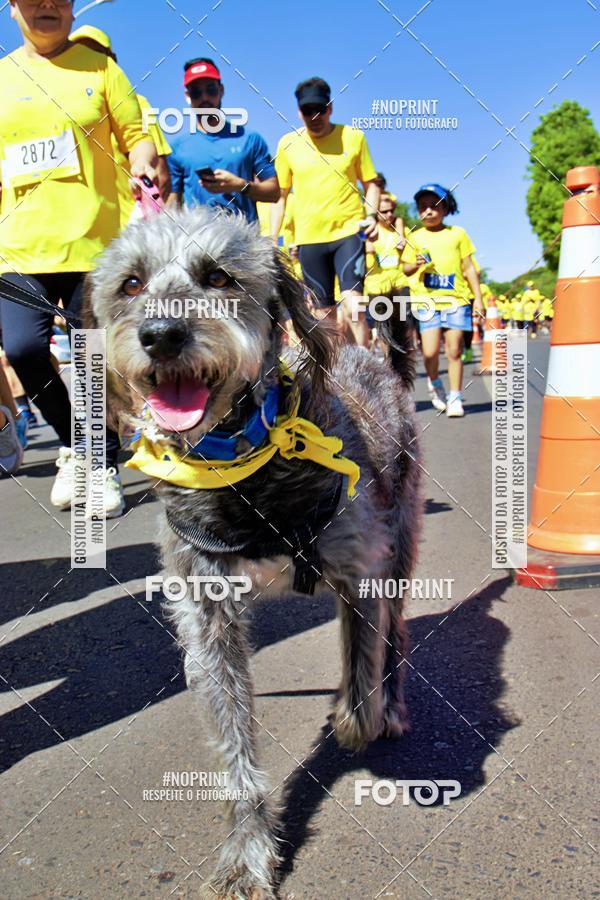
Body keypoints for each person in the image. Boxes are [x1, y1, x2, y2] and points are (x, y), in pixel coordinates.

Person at [0, 0, 163, 516]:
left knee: (93, 359)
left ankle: (102, 466)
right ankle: (81, 446)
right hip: (19, 246)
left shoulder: (101, 70)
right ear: (11, 9)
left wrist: (143, 164)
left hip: (96, 245)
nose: (46, 5)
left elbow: (137, 138)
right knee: (23, 348)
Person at [272, 76, 380, 347]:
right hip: (310, 241)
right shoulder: (287, 144)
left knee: (353, 305)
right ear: (299, 112)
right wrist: (272, 239)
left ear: (330, 107)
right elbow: (280, 196)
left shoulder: (353, 137)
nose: (315, 117)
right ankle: (335, 378)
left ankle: (365, 371)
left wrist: (371, 216)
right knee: (323, 316)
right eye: (308, 111)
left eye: (321, 109)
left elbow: (371, 184)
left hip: (349, 233)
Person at [69, 25, 172, 230]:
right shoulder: (64, 112)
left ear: (111, 59)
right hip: (79, 234)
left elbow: (161, 176)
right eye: (79, 54)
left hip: (129, 231)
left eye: (95, 53)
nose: (87, 61)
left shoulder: (139, 104)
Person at [402, 183, 483, 418]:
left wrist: (477, 299)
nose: (428, 211)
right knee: (429, 353)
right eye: (422, 207)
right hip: (426, 302)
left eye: (433, 206)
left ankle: (455, 396)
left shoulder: (457, 234)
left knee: (454, 349)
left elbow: (469, 268)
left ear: (445, 208)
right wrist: (414, 263)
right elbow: (406, 269)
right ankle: (435, 382)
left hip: (455, 299)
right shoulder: (414, 237)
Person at [166, 58, 279, 219]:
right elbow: (172, 203)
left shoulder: (250, 139)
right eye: (196, 92)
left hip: (245, 242)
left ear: (221, 90)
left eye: (210, 89)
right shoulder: (178, 149)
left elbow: (274, 192)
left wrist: (241, 186)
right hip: (198, 241)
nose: (204, 97)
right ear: (187, 96)